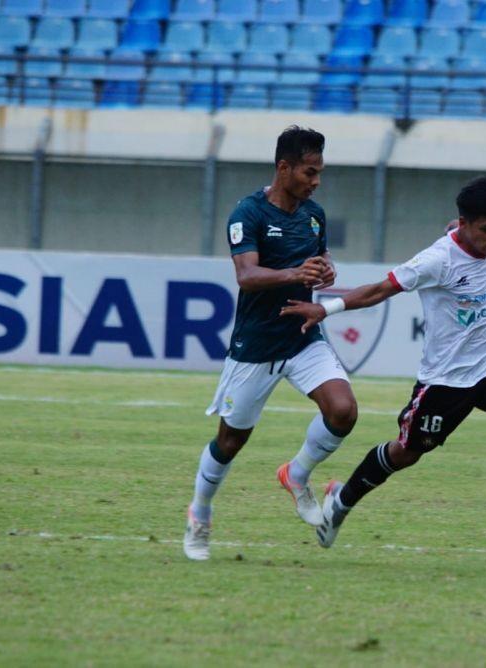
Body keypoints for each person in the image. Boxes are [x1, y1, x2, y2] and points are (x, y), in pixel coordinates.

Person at [280, 176, 486, 549]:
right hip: (445, 381)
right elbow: (380, 289)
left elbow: (482, 247)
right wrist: (325, 308)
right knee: (405, 453)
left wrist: (484, 243)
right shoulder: (436, 261)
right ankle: (341, 502)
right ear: (464, 224)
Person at [183, 126, 358, 561]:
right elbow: (247, 276)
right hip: (255, 347)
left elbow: (319, 260)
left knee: (343, 410)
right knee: (230, 441)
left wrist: (325, 270)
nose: (316, 181)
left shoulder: (313, 214)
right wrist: (296, 274)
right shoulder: (249, 214)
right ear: (284, 168)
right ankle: (200, 513)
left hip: (302, 338)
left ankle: (297, 474)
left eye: (319, 172)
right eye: (309, 172)